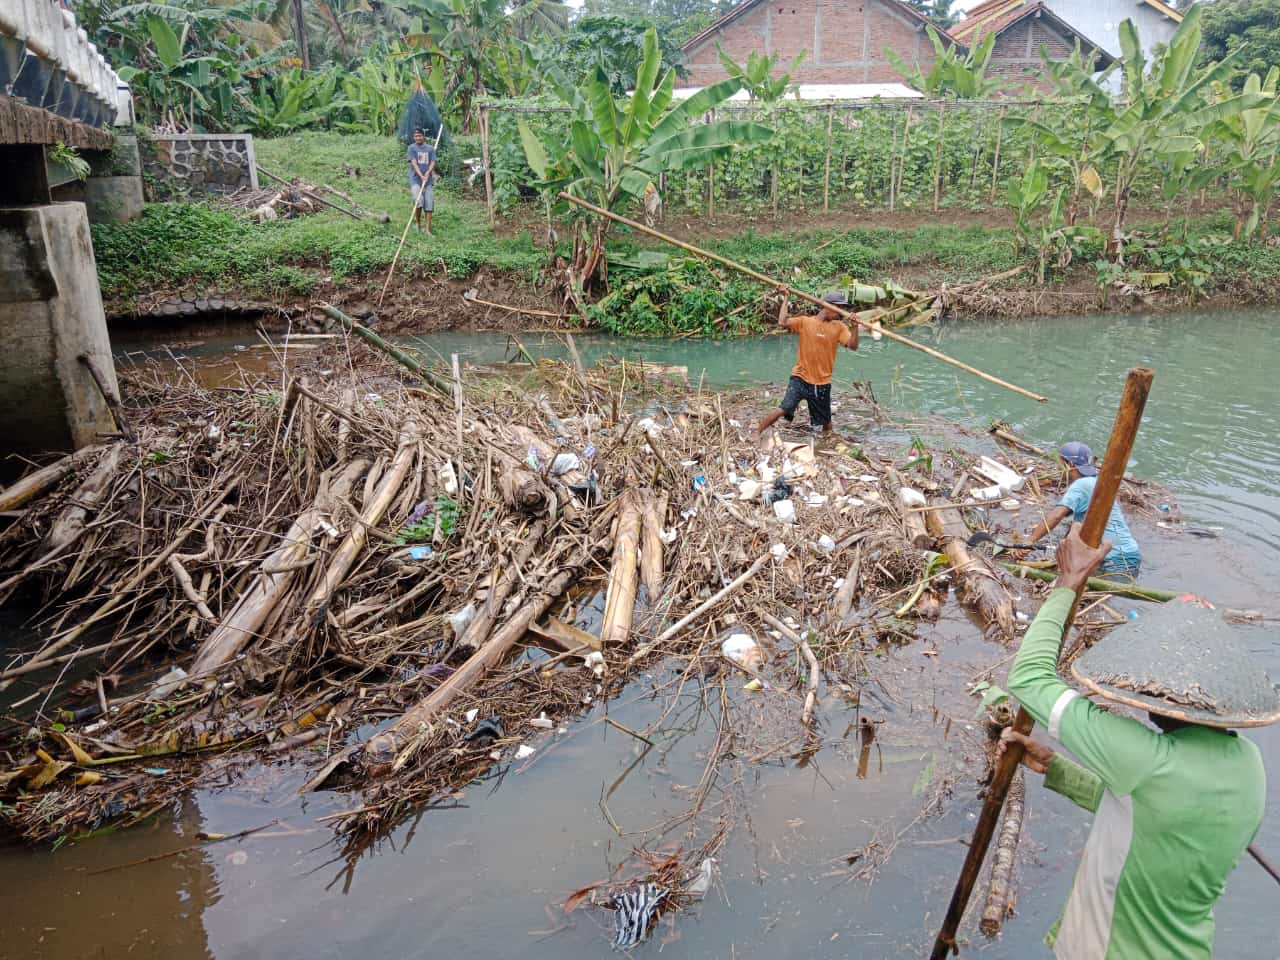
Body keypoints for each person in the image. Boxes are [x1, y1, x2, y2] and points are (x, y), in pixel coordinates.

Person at [1000, 524, 1276, 959]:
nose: (1146, 693)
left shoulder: (1146, 761)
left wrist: (1066, 585)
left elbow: (1028, 678)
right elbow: (1152, 817)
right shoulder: (1248, 765)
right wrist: (1055, 768)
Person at [754, 289, 859, 440]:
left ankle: (826, 444)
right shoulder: (805, 322)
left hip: (821, 382)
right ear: (827, 306)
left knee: (826, 421)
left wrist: (854, 327)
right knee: (784, 408)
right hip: (800, 377)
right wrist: (786, 297)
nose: (840, 312)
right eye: (839, 308)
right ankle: (757, 432)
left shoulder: (839, 327)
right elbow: (782, 322)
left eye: (843, 309)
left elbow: (853, 346)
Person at [1024, 441, 1141, 576]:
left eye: (1061, 465)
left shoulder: (1080, 485)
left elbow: (1056, 515)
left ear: (1070, 466)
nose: (1059, 470)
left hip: (1114, 559)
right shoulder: (1096, 481)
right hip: (1129, 554)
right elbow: (1078, 525)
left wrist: (1029, 541)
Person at [407, 128, 436, 235]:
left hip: (428, 180)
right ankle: (418, 223)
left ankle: (427, 230)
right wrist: (421, 175)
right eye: (416, 136)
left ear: (424, 136)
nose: (417, 138)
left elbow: (433, 161)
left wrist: (428, 172)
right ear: (414, 137)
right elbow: (414, 163)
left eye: (419, 136)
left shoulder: (430, 149)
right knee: (418, 201)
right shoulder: (411, 148)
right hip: (415, 179)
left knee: (429, 202)